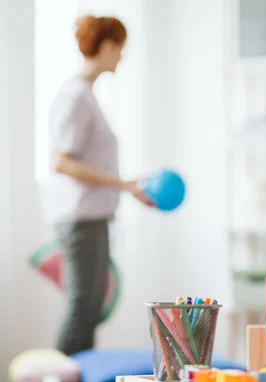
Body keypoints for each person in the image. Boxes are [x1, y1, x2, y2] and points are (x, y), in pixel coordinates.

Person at [45, 15, 152, 355]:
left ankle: (77, 381)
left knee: (90, 308)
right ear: (107, 47)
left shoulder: (85, 95)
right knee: (82, 308)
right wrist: (122, 183)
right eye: (120, 49)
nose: (121, 56)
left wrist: (127, 187)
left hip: (92, 218)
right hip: (80, 219)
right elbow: (60, 161)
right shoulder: (75, 95)